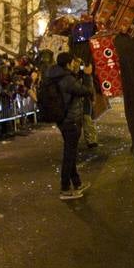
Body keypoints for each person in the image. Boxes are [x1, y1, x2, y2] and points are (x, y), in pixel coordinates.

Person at [44, 52, 92, 200]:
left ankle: (77, 183)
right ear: (67, 64)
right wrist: (87, 75)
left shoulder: (54, 76)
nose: (75, 64)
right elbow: (85, 91)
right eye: (73, 62)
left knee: (70, 153)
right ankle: (64, 189)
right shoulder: (66, 79)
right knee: (69, 155)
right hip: (70, 120)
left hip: (63, 119)